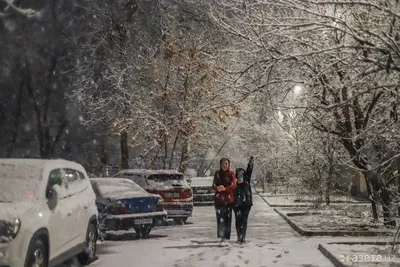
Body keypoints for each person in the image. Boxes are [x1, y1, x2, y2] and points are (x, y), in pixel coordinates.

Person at [212, 158, 237, 247]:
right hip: (219, 199)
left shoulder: (231, 174)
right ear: (220, 164)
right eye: (223, 163)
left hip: (228, 200)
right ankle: (222, 237)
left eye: (226, 163)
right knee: (220, 219)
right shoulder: (217, 174)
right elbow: (214, 185)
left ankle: (226, 237)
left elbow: (234, 185)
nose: (225, 165)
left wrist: (225, 189)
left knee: (227, 218)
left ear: (228, 164)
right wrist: (218, 188)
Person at [233, 155, 254, 244]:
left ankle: (243, 237)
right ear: (236, 175)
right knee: (238, 220)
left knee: (244, 220)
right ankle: (239, 236)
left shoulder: (247, 180)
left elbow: (250, 169)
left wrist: (251, 160)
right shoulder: (234, 182)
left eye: (242, 173)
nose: (241, 175)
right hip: (237, 204)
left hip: (246, 204)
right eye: (239, 173)